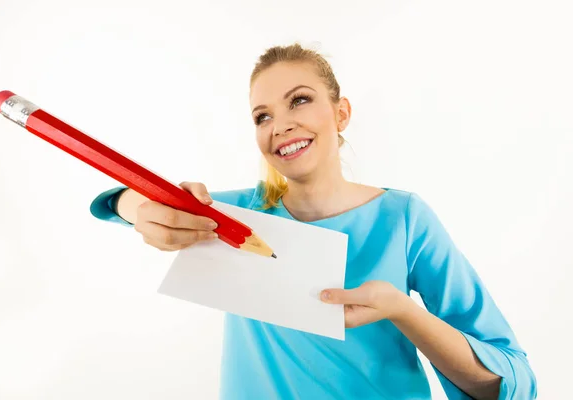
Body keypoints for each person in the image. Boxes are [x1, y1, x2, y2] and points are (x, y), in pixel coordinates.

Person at [89, 43, 537, 399]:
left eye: (298, 101)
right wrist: (139, 208)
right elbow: (123, 202)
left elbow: (507, 382)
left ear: (340, 112)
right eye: (262, 116)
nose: (279, 125)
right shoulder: (238, 216)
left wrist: (401, 309)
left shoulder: (404, 219)